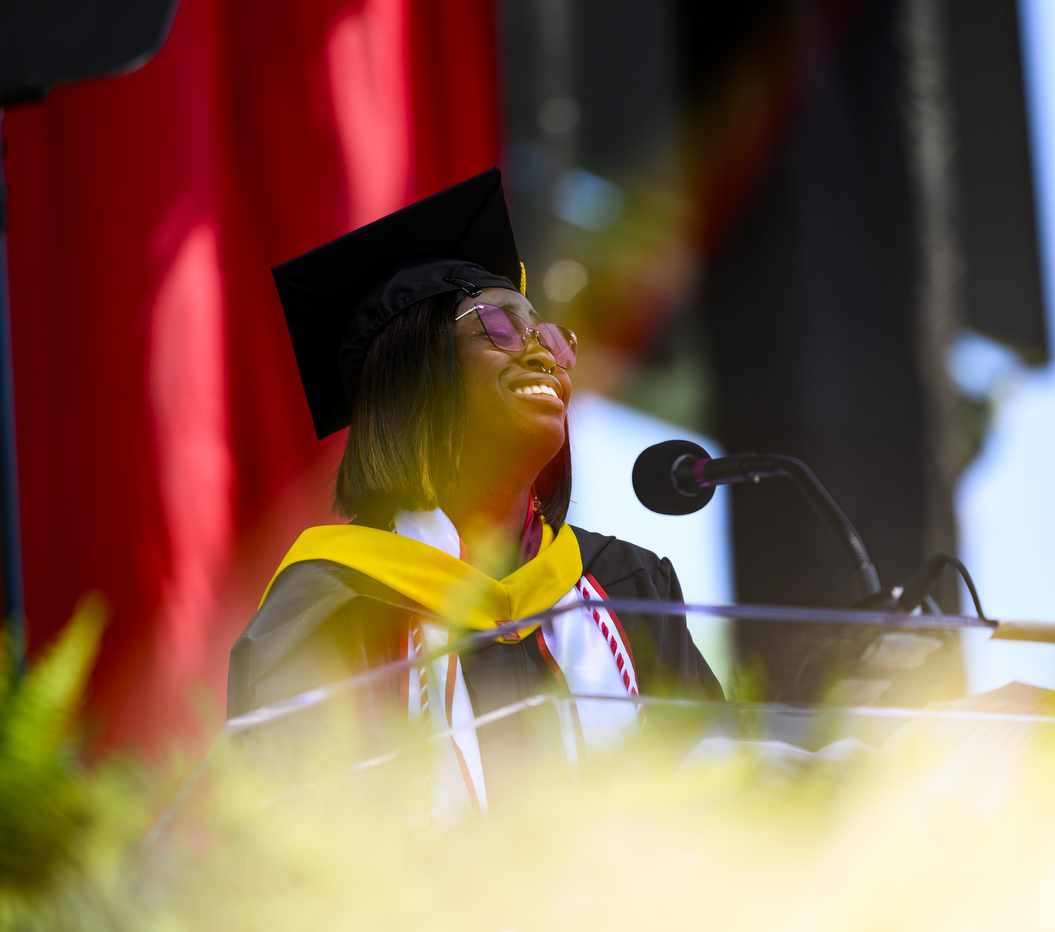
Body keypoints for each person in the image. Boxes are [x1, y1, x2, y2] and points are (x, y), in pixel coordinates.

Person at [227, 168, 722, 811]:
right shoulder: (332, 607)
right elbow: (295, 841)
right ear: (415, 377)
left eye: (549, 335)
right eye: (500, 326)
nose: (544, 355)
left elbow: (718, 789)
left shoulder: (625, 585)